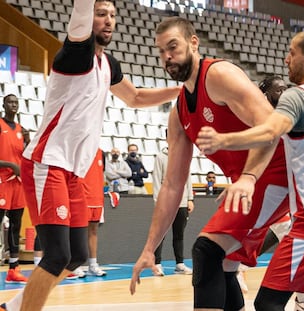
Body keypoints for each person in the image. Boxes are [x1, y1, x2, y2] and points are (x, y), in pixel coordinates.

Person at [0, 1, 181, 310]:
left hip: (73, 171)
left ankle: (13, 307)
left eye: (112, 15)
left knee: (77, 256)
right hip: (48, 162)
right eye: (101, 14)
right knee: (57, 255)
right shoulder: (75, 54)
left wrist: (182, 88)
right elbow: (82, 11)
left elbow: (135, 97)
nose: (108, 20)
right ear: (88, 19)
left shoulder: (108, 64)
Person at [130, 17, 290, 311]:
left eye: (174, 47)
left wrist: (248, 178)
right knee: (224, 260)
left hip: (274, 173)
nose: (167, 56)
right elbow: (172, 185)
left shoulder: (219, 75)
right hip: (250, 182)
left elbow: (272, 127)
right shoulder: (179, 111)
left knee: (206, 250)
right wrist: (149, 248)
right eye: (162, 50)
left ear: (193, 43)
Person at [196, 29, 304, 311]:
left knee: (267, 303)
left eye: (291, 53)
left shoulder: (297, 96)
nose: (286, 60)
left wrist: (224, 139)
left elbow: (270, 132)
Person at [152, 135, 194, 276]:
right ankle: (157, 264)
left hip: (181, 202)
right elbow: (157, 179)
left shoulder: (184, 155)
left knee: (179, 234)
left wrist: (190, 198)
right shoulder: (160, 157)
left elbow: (188, 178)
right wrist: (158, 201)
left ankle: (180, 264)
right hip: (166, 201)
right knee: (160, 234)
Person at [0, 94, 30, 284]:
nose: (14, 105)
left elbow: (26, 157)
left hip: (18, 182)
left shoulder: (21, 130)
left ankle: (13, 269)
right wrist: (10, 165)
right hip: (2, 180)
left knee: (16, 225)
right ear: (3, 104)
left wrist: (28, 142)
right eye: (10, 102)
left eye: (16, 103)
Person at [68, 149, 107, 279]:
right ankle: (75, 265)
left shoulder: (101, 153)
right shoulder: (78, 149)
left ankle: (93, 264)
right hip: (81, 195)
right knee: (78, 232)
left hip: (97, 196)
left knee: (93, 230)